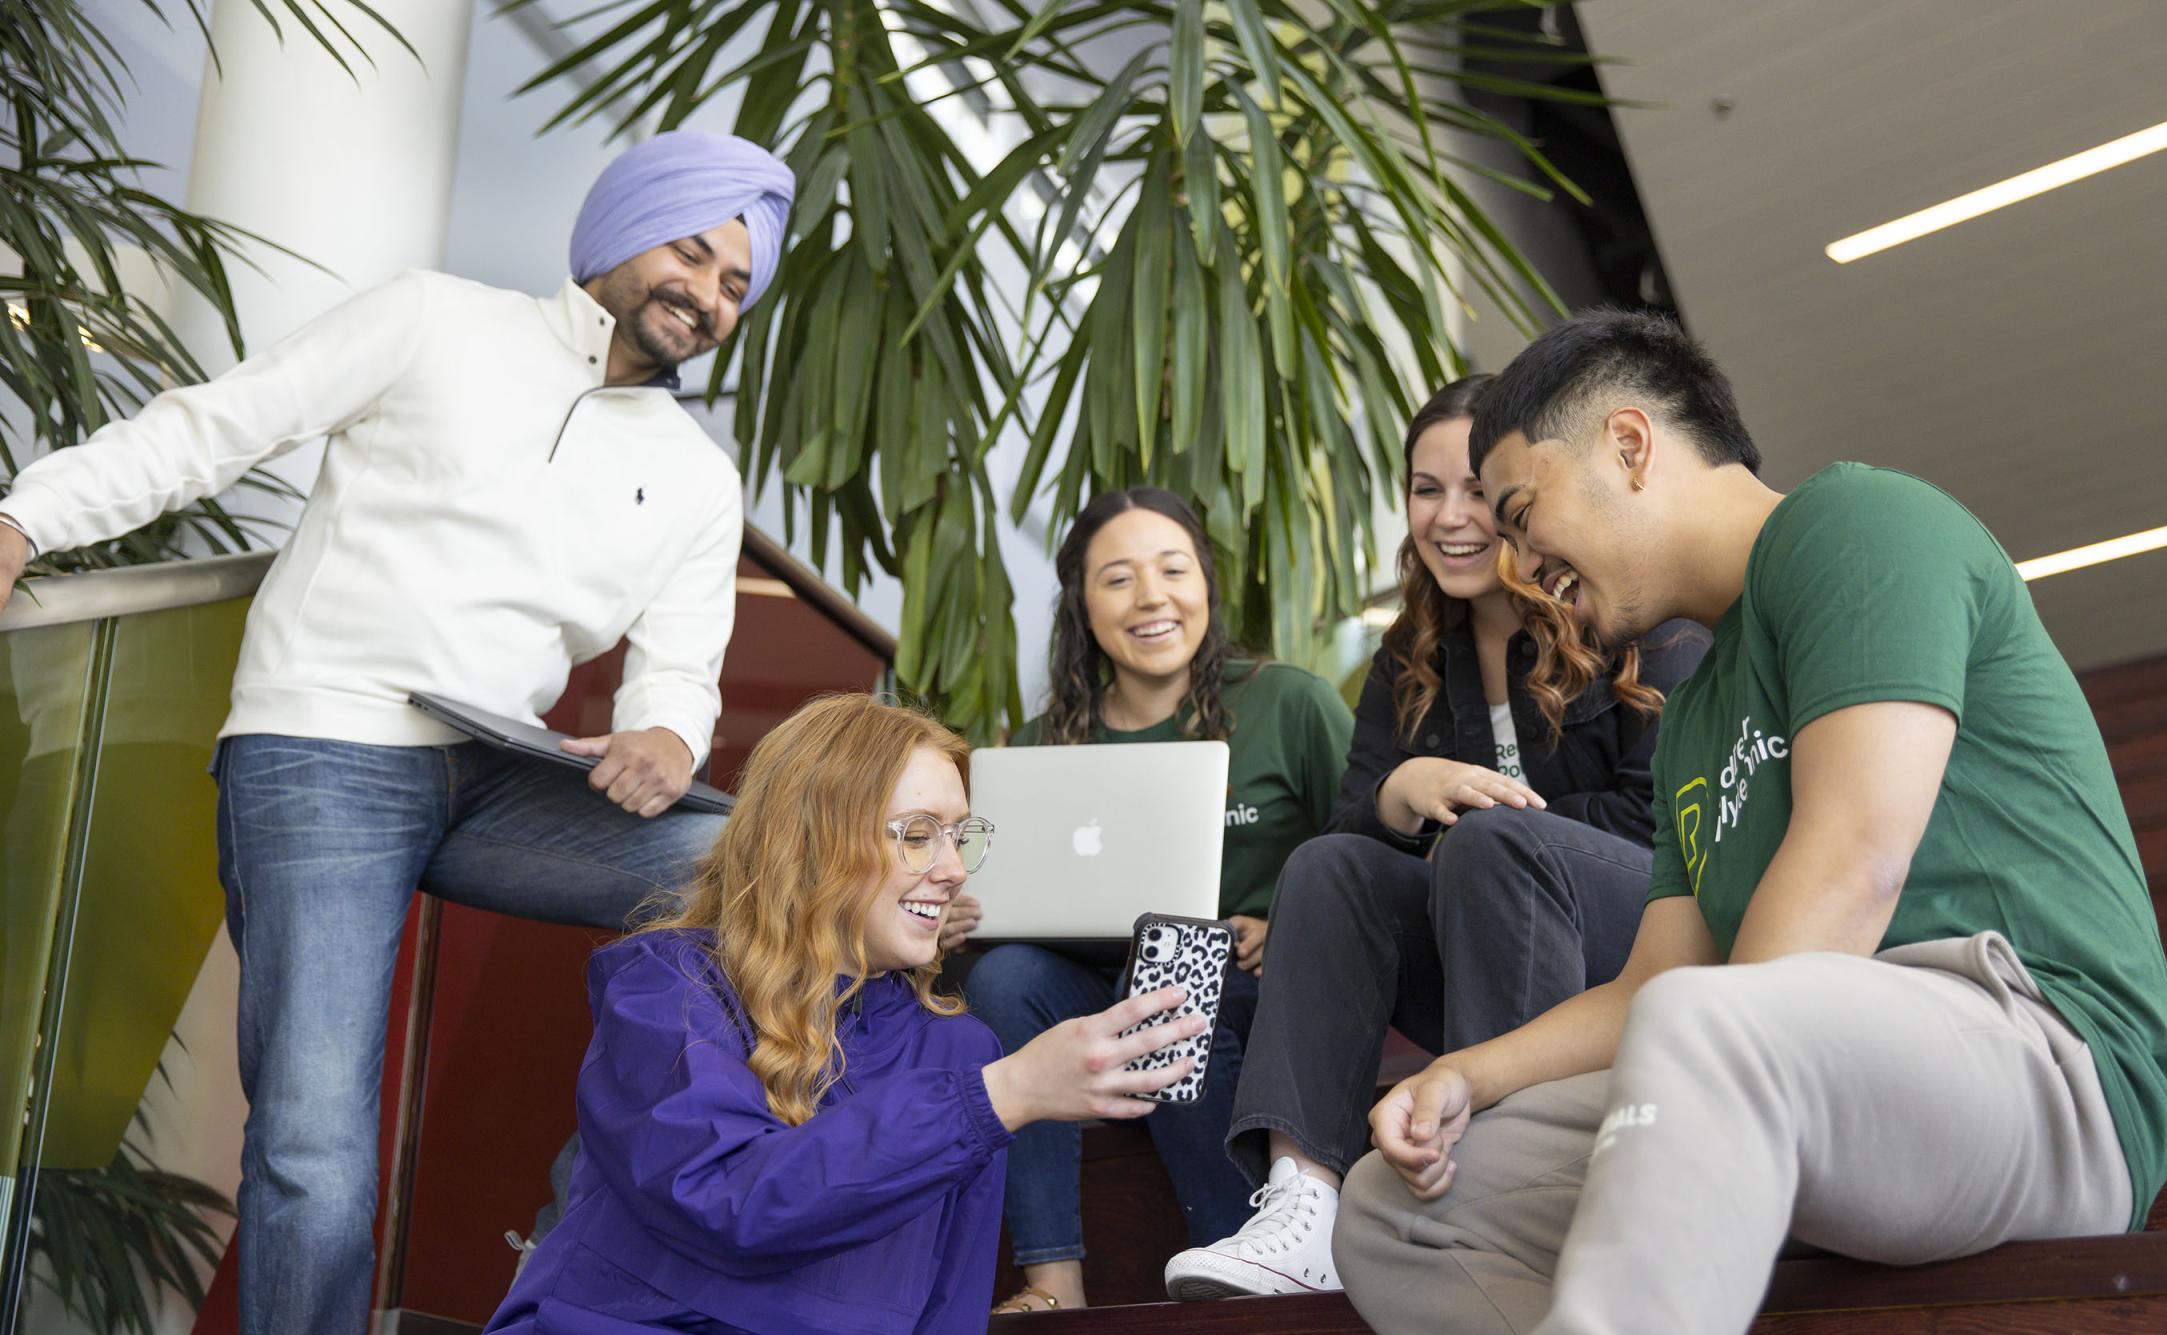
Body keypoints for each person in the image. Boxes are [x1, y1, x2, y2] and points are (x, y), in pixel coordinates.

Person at [0, 131, 794, 1334]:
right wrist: (24, 517)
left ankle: (585, 1249)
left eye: (738, 284)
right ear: (620, 234)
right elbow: (213, 428)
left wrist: (668, 738)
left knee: (769, 873)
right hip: (325, 748)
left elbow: (680, 664)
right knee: (317, 1145)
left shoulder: (694, 474)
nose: (710, 294)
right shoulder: (434, 321)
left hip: (503, 772)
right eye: (694, 253)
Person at [1335, 309, 2167, 1334]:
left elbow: (1856, 860)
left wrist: (1705, 1044)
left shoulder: (1858, 526)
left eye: (1522, 512)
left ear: (1629, 444)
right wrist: (1462, 1073)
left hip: (2045, 1064)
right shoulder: (1694, 716)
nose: (1520, 561)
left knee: (1702, 1024)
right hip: (1793, 1072)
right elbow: (1654, 983)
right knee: (1398, 1209)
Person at [1164, 376, 1704, 1300]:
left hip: (1635, 941)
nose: (1451, 517)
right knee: (1329, 864)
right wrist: (1404, 794)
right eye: (1425, 489)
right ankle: (1304, 1202)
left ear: (1526, 498)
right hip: (1478, 939)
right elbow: (1350, 845)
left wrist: (1483, 823)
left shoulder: (1630, 612)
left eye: (1478, 492)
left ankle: (1496, 1182)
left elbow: (1658, 823)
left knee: (1494, 845)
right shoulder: (1410, 648)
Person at [485, 693, 1207, 1334]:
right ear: (814, 840)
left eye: (961, 835)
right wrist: (1004, 1094)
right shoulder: (664, 985)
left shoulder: (963, 1051)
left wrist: (995, 1093)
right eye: (918, 833)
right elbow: (731, 1199)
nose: (954, 867)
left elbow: (947, 1306)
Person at [963, 487, 1354, 1313]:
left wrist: (1285, 923)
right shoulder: (1039, 745)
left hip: (1248, 990)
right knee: (1000, 976)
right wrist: (974, 908)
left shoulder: (1289, 703)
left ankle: (1236, 1264)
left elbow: (1366, 858)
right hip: (1093, 987)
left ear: (1205, 583)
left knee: (1173, 969)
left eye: (1173, 569)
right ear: (1083, 606)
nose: (1152, 597)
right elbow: (998, 892)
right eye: (1118, 578)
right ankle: (1052, 1282)